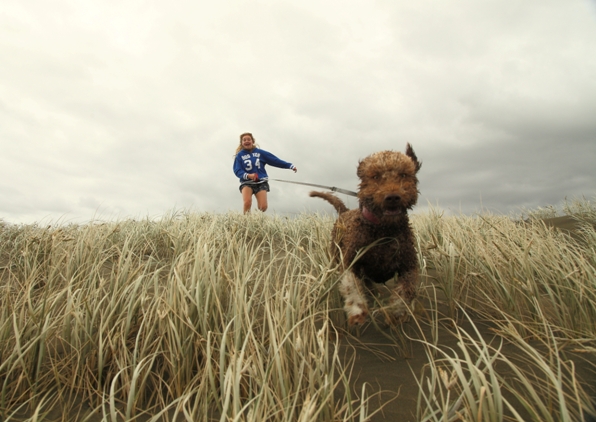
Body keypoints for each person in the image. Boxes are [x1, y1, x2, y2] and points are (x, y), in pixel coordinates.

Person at [233, 132, 297, 213]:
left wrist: (290, 166)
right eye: (244, 140)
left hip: (261, 181)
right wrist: (248, 175)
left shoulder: (261, 153)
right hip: (247, 182)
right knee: (247, 202)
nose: (246, 141)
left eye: (249, 139)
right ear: (242, 143)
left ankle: (256, 221)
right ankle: (245, 222)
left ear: (252, 141)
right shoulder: (239, 156)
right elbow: (237, 170)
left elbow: (274, 160)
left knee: (263, 207)